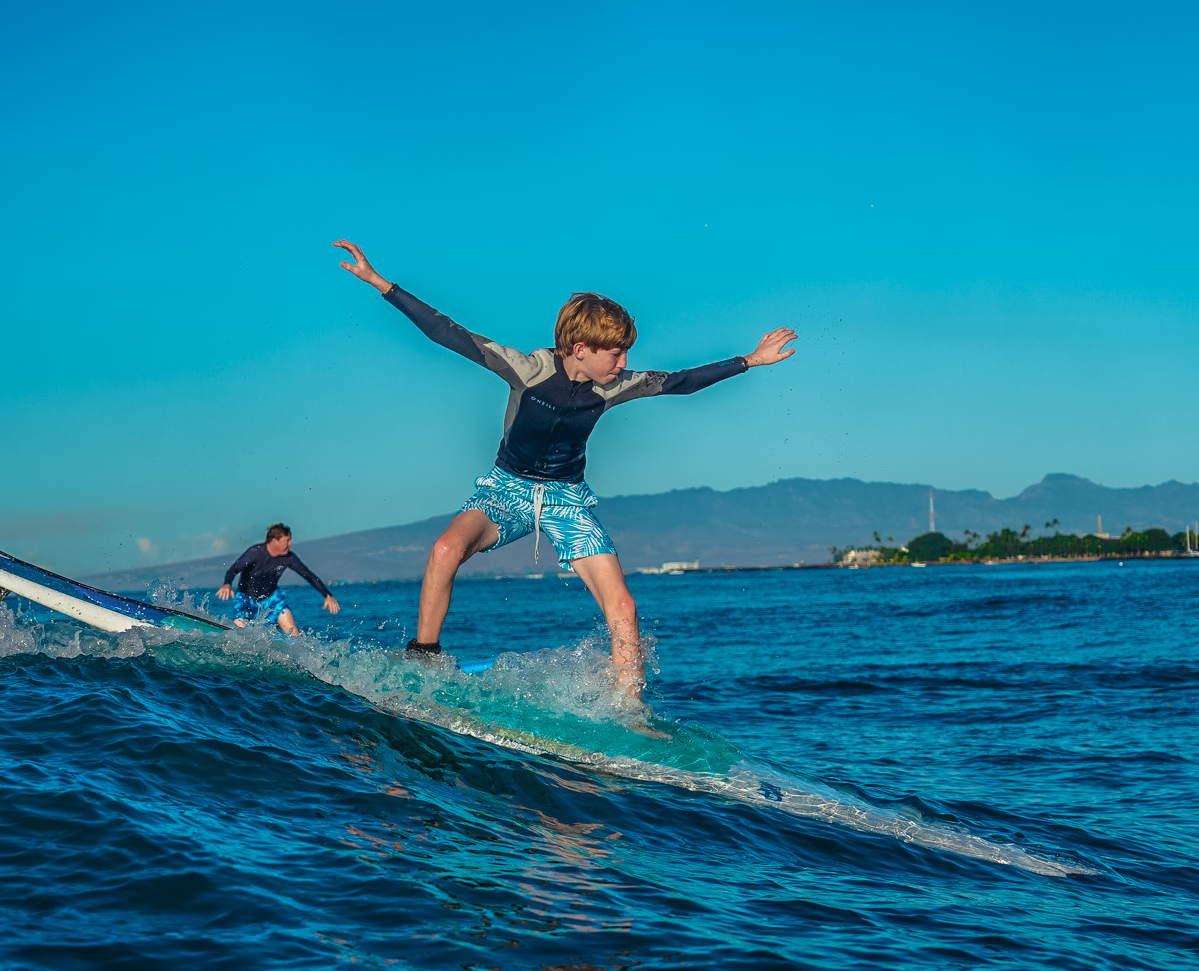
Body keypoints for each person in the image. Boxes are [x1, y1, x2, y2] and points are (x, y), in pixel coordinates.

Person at [333, 239, 796, 700]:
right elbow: (448, 332)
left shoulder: (614, 387)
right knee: (444, 550)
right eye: (615, 352)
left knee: (624, 605)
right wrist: (379, 283)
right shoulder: (527, 369)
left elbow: (680, 383)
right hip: (506, 490)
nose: (624, 362)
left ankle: (628, 709)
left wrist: (750, 360)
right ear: (579, 348)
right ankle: (424, 656)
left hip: (568, 500)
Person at [216, 523, 341, 636]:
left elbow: (308, 575)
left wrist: (327, 595)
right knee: (240, 630)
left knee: (294, 633)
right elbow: (234, 569)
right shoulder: (255, 552)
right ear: (275, 541)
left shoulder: (289, 558)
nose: (290, 544)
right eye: (287, 540)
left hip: (272, 598)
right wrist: (227, 584)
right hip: (246, 597)